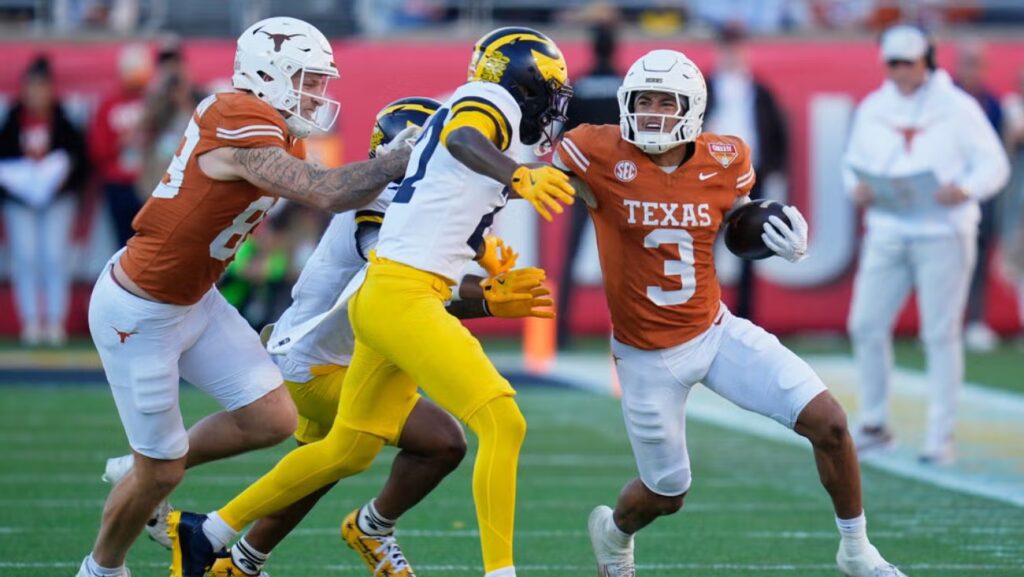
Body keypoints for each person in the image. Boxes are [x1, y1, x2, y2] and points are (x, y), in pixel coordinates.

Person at [169, 26, 575, 577]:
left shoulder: (444, 167)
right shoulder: (486, 100)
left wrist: (483, 259)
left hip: (385, 306)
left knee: (348, 451)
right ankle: (496, 571)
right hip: (380, 313)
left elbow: (437, 212)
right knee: (503, 423)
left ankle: (209, 533)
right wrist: (515, 182)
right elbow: (460, 140)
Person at [75, 16, 415, 577]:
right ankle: (102, 568)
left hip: (195, 300)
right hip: (139, 313)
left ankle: (142, 469)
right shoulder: (238, 114)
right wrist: (397, 159)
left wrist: (401, 179)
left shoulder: (275, 127)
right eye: (308, 79)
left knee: (271, 419)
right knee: (162, 472)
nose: (317, 94)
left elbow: (330, 187)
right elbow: (324, 191)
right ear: (268, 72)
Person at [553, 49, 908, 577]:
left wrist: (777, 232)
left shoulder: (726, 158)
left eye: (666, 103)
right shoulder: (596, 150)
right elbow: (528, 177)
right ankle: (614, 532)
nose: (652, 113)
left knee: (830, 423)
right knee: (666, 492)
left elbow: (739, 219)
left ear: (692, 108)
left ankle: (857, 552)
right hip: (645, 355)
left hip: (714, 332)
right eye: (644, 101)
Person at [844, 25, 1009, 465]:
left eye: (908, 63)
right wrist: (857, 188)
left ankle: (940, 435)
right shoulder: (874, 107)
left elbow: (994, 164)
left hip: (943, 231)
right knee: (865, 324)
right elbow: (851, 163)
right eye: (893, 63)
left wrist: (966, 189)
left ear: (927, 62)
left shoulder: (957, 107)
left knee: (940, 332)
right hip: (887, 228)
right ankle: (874, 423)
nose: (900, 72)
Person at [0, 55, 89, 346]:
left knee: (54, 257)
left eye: (42, 87)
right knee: (25, 258)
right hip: (19, 201)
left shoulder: (62, 119)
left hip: (57, 200)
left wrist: (63, 178)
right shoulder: (13, 118)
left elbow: (80, 159)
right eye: (32, 87)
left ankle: (54, 322)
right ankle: (30, 322)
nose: (37, 93)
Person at [705, 22, 789, 323]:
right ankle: (703, 311)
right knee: (704, 246)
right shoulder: (704, 88)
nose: (732, 53)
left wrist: (774, 168)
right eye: (727, 47)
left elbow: (776, 131)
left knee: (750, 245)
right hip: (709, 177)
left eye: (736, 47)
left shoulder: (758, 90)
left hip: (750, 176)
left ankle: (745, 316)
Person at [556, 22, 622, 349]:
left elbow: (562, 134)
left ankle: (560, 331)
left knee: (570, 257)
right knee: (626, 259)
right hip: (619, 183)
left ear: (592, 48)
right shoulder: (625, 86)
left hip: (583, 181)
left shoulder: (579, 86)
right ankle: (630, 328)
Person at [955, 41, 1005, 352]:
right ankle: (942, 323)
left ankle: (975, 321)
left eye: (978, 63)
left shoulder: (992, 104)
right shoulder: (945, 101)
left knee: (977, 261)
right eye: (968, 62)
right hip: (943, 197)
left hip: (978, 198)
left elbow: (997, 158)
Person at [89, 43, 151, 248]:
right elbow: (97, 149)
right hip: (118, 182)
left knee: (150, 242)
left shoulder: (153, 101)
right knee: (123, 244)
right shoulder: (109, 104)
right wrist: (120, 143)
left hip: (149, 181)